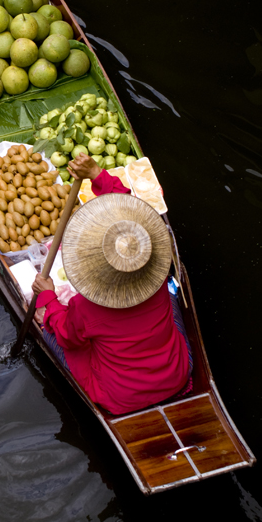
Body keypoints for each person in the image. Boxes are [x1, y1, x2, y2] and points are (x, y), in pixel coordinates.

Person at [31, 152, 191, 416]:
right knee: (170, 299)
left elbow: (67, 337)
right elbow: (129, 212)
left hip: (120, 398)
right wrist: (96, 174)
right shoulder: (156, 271)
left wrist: (48, 300)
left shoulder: (86, 307)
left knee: (51, 325)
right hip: (177, 375)